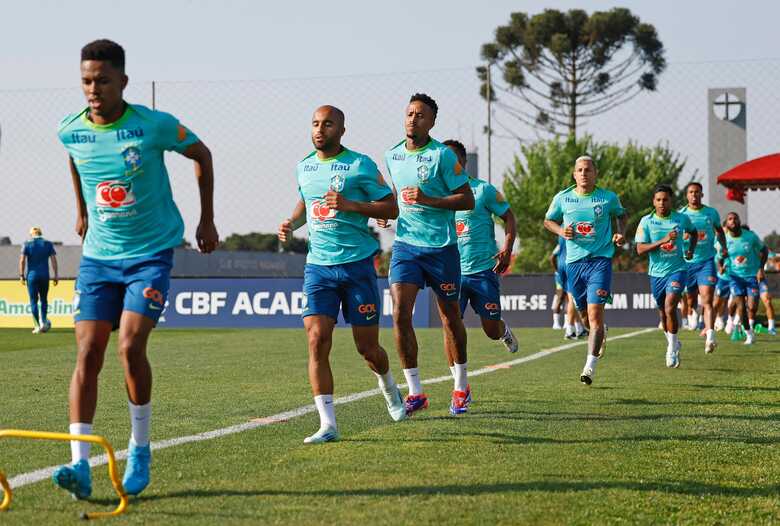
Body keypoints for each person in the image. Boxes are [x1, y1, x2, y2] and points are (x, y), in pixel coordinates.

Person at [52, 40, 218, 500]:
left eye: (102, 80)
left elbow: (202, 153)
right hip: (99, 258)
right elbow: (75, 160)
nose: (93, 89)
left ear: (122, 81)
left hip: (150, 254)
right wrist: (81, 210)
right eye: (86, 80)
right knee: (87, 351)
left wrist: (206, 218)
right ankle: (79, 465)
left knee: (128, 346)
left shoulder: (153, 126)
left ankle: (140, 448)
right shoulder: (70, 130)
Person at [278, 105, 406, 444]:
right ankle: (328, 424)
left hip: (358, 267)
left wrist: (352, 205)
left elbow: (391, 207)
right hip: (318, 267)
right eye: (316, 124)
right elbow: (306, 203)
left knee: (368, 349)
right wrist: (292, 223)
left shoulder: (359, 165)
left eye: (328, 124)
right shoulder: (303, 166)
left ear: (342, 130)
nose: (320, 130)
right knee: (317, 340)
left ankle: (389, 385)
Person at [382, 93, 474, 415]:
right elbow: (395, 197)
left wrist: (429, 200)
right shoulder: (392, 156)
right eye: (409, 113)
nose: (413, 119)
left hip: (442, 248)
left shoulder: (444, 156)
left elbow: (467, 200)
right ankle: (416, 391)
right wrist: (387, 212)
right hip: (406, 247)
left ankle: (461, 385)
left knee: (450, 317)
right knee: (399, 314)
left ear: (432, 122)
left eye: (420, 115)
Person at [543, 156, 627, 385]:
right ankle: (598, 334)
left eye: (587, 170)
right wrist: (561, 231)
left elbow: (621, 215)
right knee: (583, 316)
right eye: (579, 170)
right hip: (574, 264)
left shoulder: (607, 197)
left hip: (600, 261)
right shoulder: (563, 198)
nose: (583, 173)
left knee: (595, 315)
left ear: (595, 173)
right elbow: (548, 221)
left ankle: (589, 366)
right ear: (574, 174)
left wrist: (621, 233)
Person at [443, 139, 518, 353]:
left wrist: (507, 249)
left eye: (453, 158)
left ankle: (503, 331)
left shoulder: (483, 190)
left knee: (491, 330)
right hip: (452, 272)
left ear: (464, 161)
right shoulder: (438, 194)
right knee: (450, 325)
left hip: (483, 270)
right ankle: (459, 382)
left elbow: (509, 217)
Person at [635, 184, 697, 368]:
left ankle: (671, 349)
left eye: (666, 199)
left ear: (671, 201)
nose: (662, 203)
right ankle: (674, 341)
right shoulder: (646, 221)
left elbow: (693, 233)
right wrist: (662, 241)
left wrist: (690, 250)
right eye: (659, 200)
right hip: (656, 273)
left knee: (671, 307)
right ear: (654, 202)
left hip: (678, 270)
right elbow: (640, 249)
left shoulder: (681, 218)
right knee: (663, 312)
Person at [679, 182, 727, 353]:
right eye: (691, 192)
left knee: (707, 299)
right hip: (687, 263)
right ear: (687, 195)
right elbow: (675, 237)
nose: (694, 195)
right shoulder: (681, 215)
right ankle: (693, 312)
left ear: (702, 194)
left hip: (706, 261)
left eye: (697, 192)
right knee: (691, 300)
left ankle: (710, 336)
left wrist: (724, 246)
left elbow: (720, 231)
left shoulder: (711, 213)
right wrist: (683, 237)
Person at [722, 213, 768, 345]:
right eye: (730, 219)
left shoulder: (750, 236)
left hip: (751, 276)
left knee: (752, 306)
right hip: (734, 277)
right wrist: (722, 265)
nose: (733, 221)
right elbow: (719, 255)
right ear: (727, 223)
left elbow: (764, 250)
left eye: (735, 218)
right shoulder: (724, 239)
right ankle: (749, 333)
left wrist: (761, 269)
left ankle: (746, 324)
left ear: (739, 221)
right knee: (741, 307)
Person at [19, 227, 59, 333]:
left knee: (33, 301)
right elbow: (54, 260)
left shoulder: (26, 244)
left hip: (32, 276)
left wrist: (21, 275)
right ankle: (44, 322)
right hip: (44, 275)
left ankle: (37, 326)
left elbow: (22, 260)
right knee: (44, 299)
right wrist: (56, 275)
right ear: (41, 234)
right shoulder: (48, 244)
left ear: (31, 234)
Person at [550, 236, 586, 339]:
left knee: (570, 298)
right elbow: (552, 257)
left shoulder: (561, 235)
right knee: (570, 299)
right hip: (570, 266)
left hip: (564, 267)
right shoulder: (576, 237)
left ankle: (579, 328)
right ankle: (569, 329)